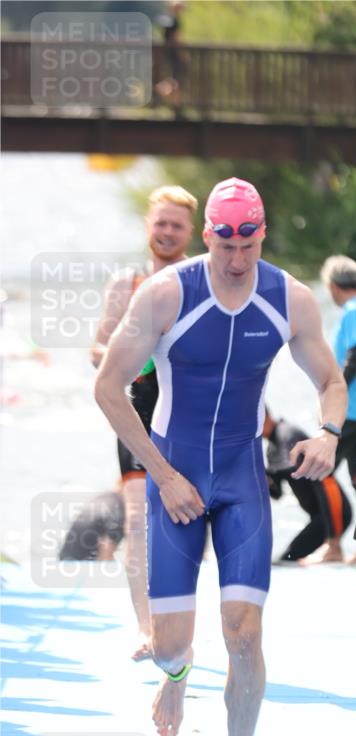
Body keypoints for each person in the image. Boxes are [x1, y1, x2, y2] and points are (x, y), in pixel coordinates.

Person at [94, 177, 347, 736]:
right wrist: (163, 475)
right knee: (169, 645)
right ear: (208, 236)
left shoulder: (289, 299)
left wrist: (330, 434)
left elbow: (331, 380)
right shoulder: (163, 295)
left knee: (244, 633)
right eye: (225, 246)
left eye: (250, 247)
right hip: (173, 475)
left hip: (240, 480)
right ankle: (176, 677)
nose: (236, 262)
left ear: (262, 237)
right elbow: (107, 387)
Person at [91, 185, 197, 661]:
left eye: (176, 224)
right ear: (148, 226)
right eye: (161, 222)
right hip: (138, 413)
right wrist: (124, 360)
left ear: (190, 231)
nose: (167, 231)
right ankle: (145, 628)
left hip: (189, 418)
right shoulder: (127, 284)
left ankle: (179, 627)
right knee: (136, 521)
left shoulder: (201, 280)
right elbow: (97, 349)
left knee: (183, 522)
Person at [306, 255, 356, 564]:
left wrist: (332, 399)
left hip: (351, 409)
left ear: (333, 286)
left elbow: (354, 358)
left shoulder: (353, 311)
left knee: (320, 470)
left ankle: (333, 546)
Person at [263, 408, 351, 563]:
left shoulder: (287, 433)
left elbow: (310, 474)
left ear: (265, 418)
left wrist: (271, 473)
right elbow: (277, 493)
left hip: (333, 513)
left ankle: (333, 546)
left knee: (288, 558)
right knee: (288, 557)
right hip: (318, 518)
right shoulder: (271, 447)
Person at [59, 490, 124, 562]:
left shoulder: (104, 497)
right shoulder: (120, 512)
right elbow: (105, 556)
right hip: (84, 566)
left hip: (65, 560)